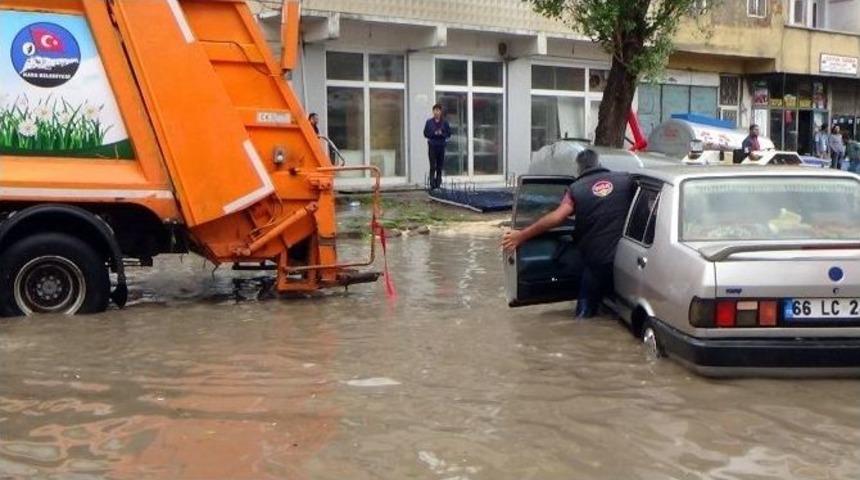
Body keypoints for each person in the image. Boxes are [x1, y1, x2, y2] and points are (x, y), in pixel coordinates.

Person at [501, 149, 635, 318]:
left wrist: (521, 236)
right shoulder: (626, 180)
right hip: (628, 262)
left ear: (579, 170)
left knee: (583, 315)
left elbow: (556, 218)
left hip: (597, 263)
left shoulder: (576, 189)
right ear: (599, 164)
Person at [423, 104, 451, 190]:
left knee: (440, 166)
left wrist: (441, 134)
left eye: (438, 110)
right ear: (433, 112)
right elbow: (425, 133)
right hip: (432, 145)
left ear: (441, 112)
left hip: (441, 146)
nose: (436, 112)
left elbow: (449, 133)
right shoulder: (429, 122)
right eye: (435, 110)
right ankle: (432, 184)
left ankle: (438, 184)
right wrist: (434, 133)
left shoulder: (445, 122)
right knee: (432, 165)